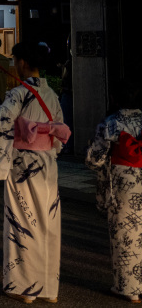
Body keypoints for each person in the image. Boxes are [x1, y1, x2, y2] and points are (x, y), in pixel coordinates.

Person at [0, 41, 69, 304]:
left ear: (21, 62)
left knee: (22, 221)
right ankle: (47, 287)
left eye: (14, 60)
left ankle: (26, 286)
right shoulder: (51, 93)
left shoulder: (18, 93)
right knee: (47, 223)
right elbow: (58, 133)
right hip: (46, 162)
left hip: (22, 163)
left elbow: (0, 123)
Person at [85, 79, 142, 302]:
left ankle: (128, 288)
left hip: (123, 184)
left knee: (125, 234)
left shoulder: (111, 122)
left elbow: (95, 159)